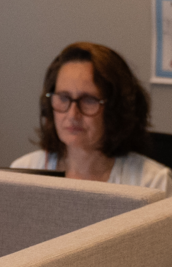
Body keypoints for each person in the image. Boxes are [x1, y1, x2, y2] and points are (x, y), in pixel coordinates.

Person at [11, 41, 170, 195]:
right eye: (63, 97)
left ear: (117, 108)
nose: (72, 115)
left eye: (88, 100)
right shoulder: (23, 172)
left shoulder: (153, 183)